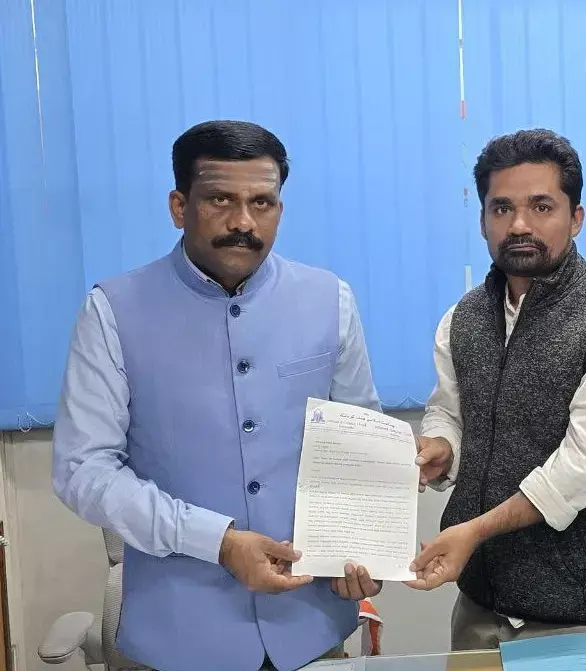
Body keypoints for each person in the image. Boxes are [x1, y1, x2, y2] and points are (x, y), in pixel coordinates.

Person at [52, 120, 384, 671]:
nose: (243, 222)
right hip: (178, 635)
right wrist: (219, 541)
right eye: (220, 200)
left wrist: (367, 550)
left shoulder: (330, 299)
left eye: (262, 202)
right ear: (179, 206)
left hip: (311, 624)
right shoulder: (112, 311)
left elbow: (360, 446)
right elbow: (83, 470)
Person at [403, 129, 586, 650]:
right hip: (480, 605)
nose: (519, 224)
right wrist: (442, 446)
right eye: (502, 208)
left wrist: (474, 531)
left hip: (583, 615)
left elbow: (584, 469)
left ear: (576, 218)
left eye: (541, 207)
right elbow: (449, 411)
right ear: (483, 220)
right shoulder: (462, 318)